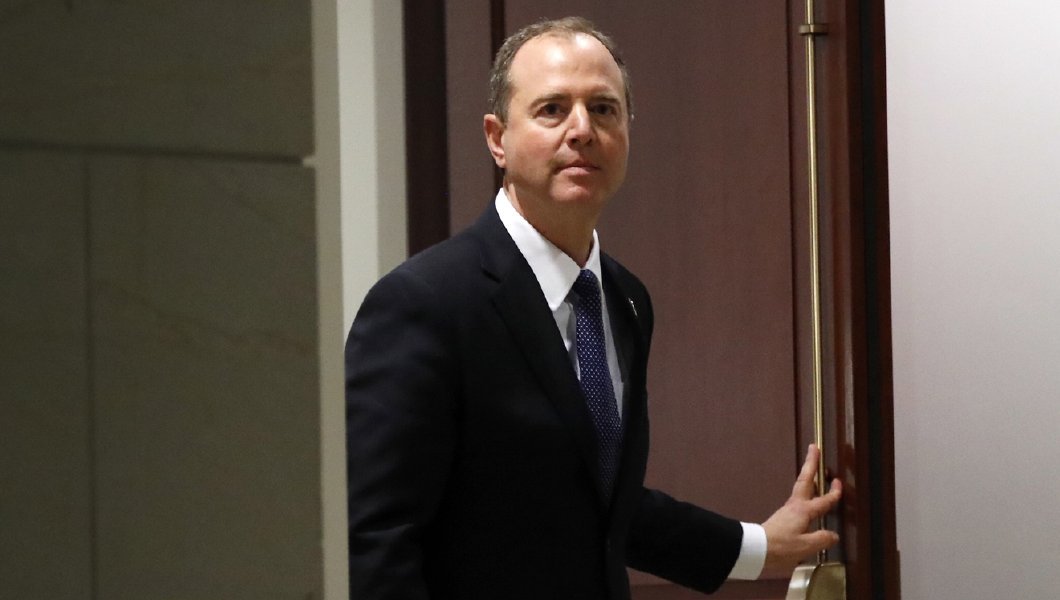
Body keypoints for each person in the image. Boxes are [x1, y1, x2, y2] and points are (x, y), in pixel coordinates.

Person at [345, 16, 842, 600]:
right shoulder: (424, 303)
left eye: (603, 109)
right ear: (497, 139)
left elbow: (598, 501)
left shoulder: (625, 299)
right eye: (552, 109)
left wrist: (757, 547)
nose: (582, 129)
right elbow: (380, 542)